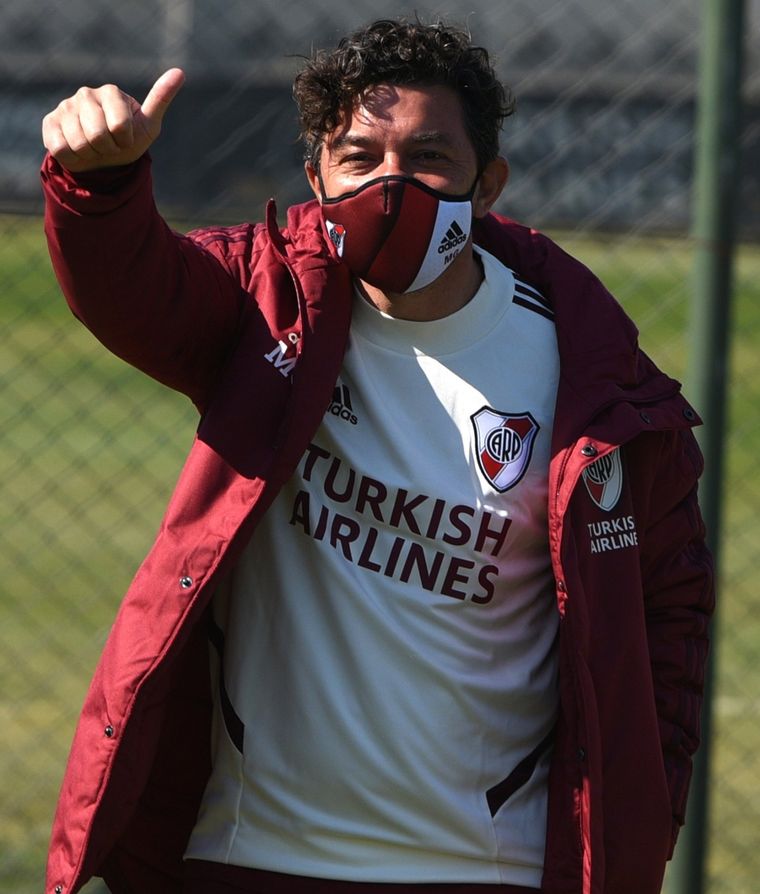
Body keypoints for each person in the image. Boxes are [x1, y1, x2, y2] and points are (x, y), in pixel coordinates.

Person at [40, 18, 714, 894]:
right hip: (248, 849)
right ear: (316, 177)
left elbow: (669, 626)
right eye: (359, 159)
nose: (392, 189)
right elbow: (135, 292)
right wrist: (102, 184)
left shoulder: (594, 380)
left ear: (489, 182)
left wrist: (636, 822)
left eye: (429, 160)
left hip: (483, 869)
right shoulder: (267, 304)